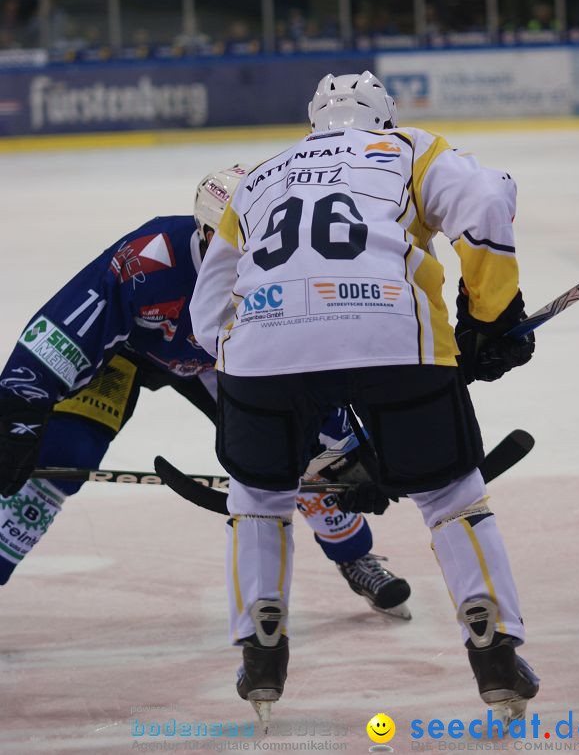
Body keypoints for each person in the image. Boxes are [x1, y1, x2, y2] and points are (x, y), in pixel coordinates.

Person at [189, 71, 538, 728]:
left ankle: (260, 645)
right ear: (385, 113)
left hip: (263, 345)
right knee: (449, 494)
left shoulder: (261, 175)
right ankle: (492, 643)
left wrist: (251, 364)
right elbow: (489, 201)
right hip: (390, 333)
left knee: (260, 497)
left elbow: (209, 311)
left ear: (311, 120)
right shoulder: (410, 147)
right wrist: (491, 318)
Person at [0, 165, 410, 620]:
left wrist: (353, 449)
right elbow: (70, 326)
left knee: (302, 445)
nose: (243, 248)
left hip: (222, 360)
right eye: (229, 233)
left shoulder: (290, 271)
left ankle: (353, 552)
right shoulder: (148, 260)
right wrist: (19, 404)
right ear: (203, 228)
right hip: (129, 352)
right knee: (62, 452)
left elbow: (311, 372)